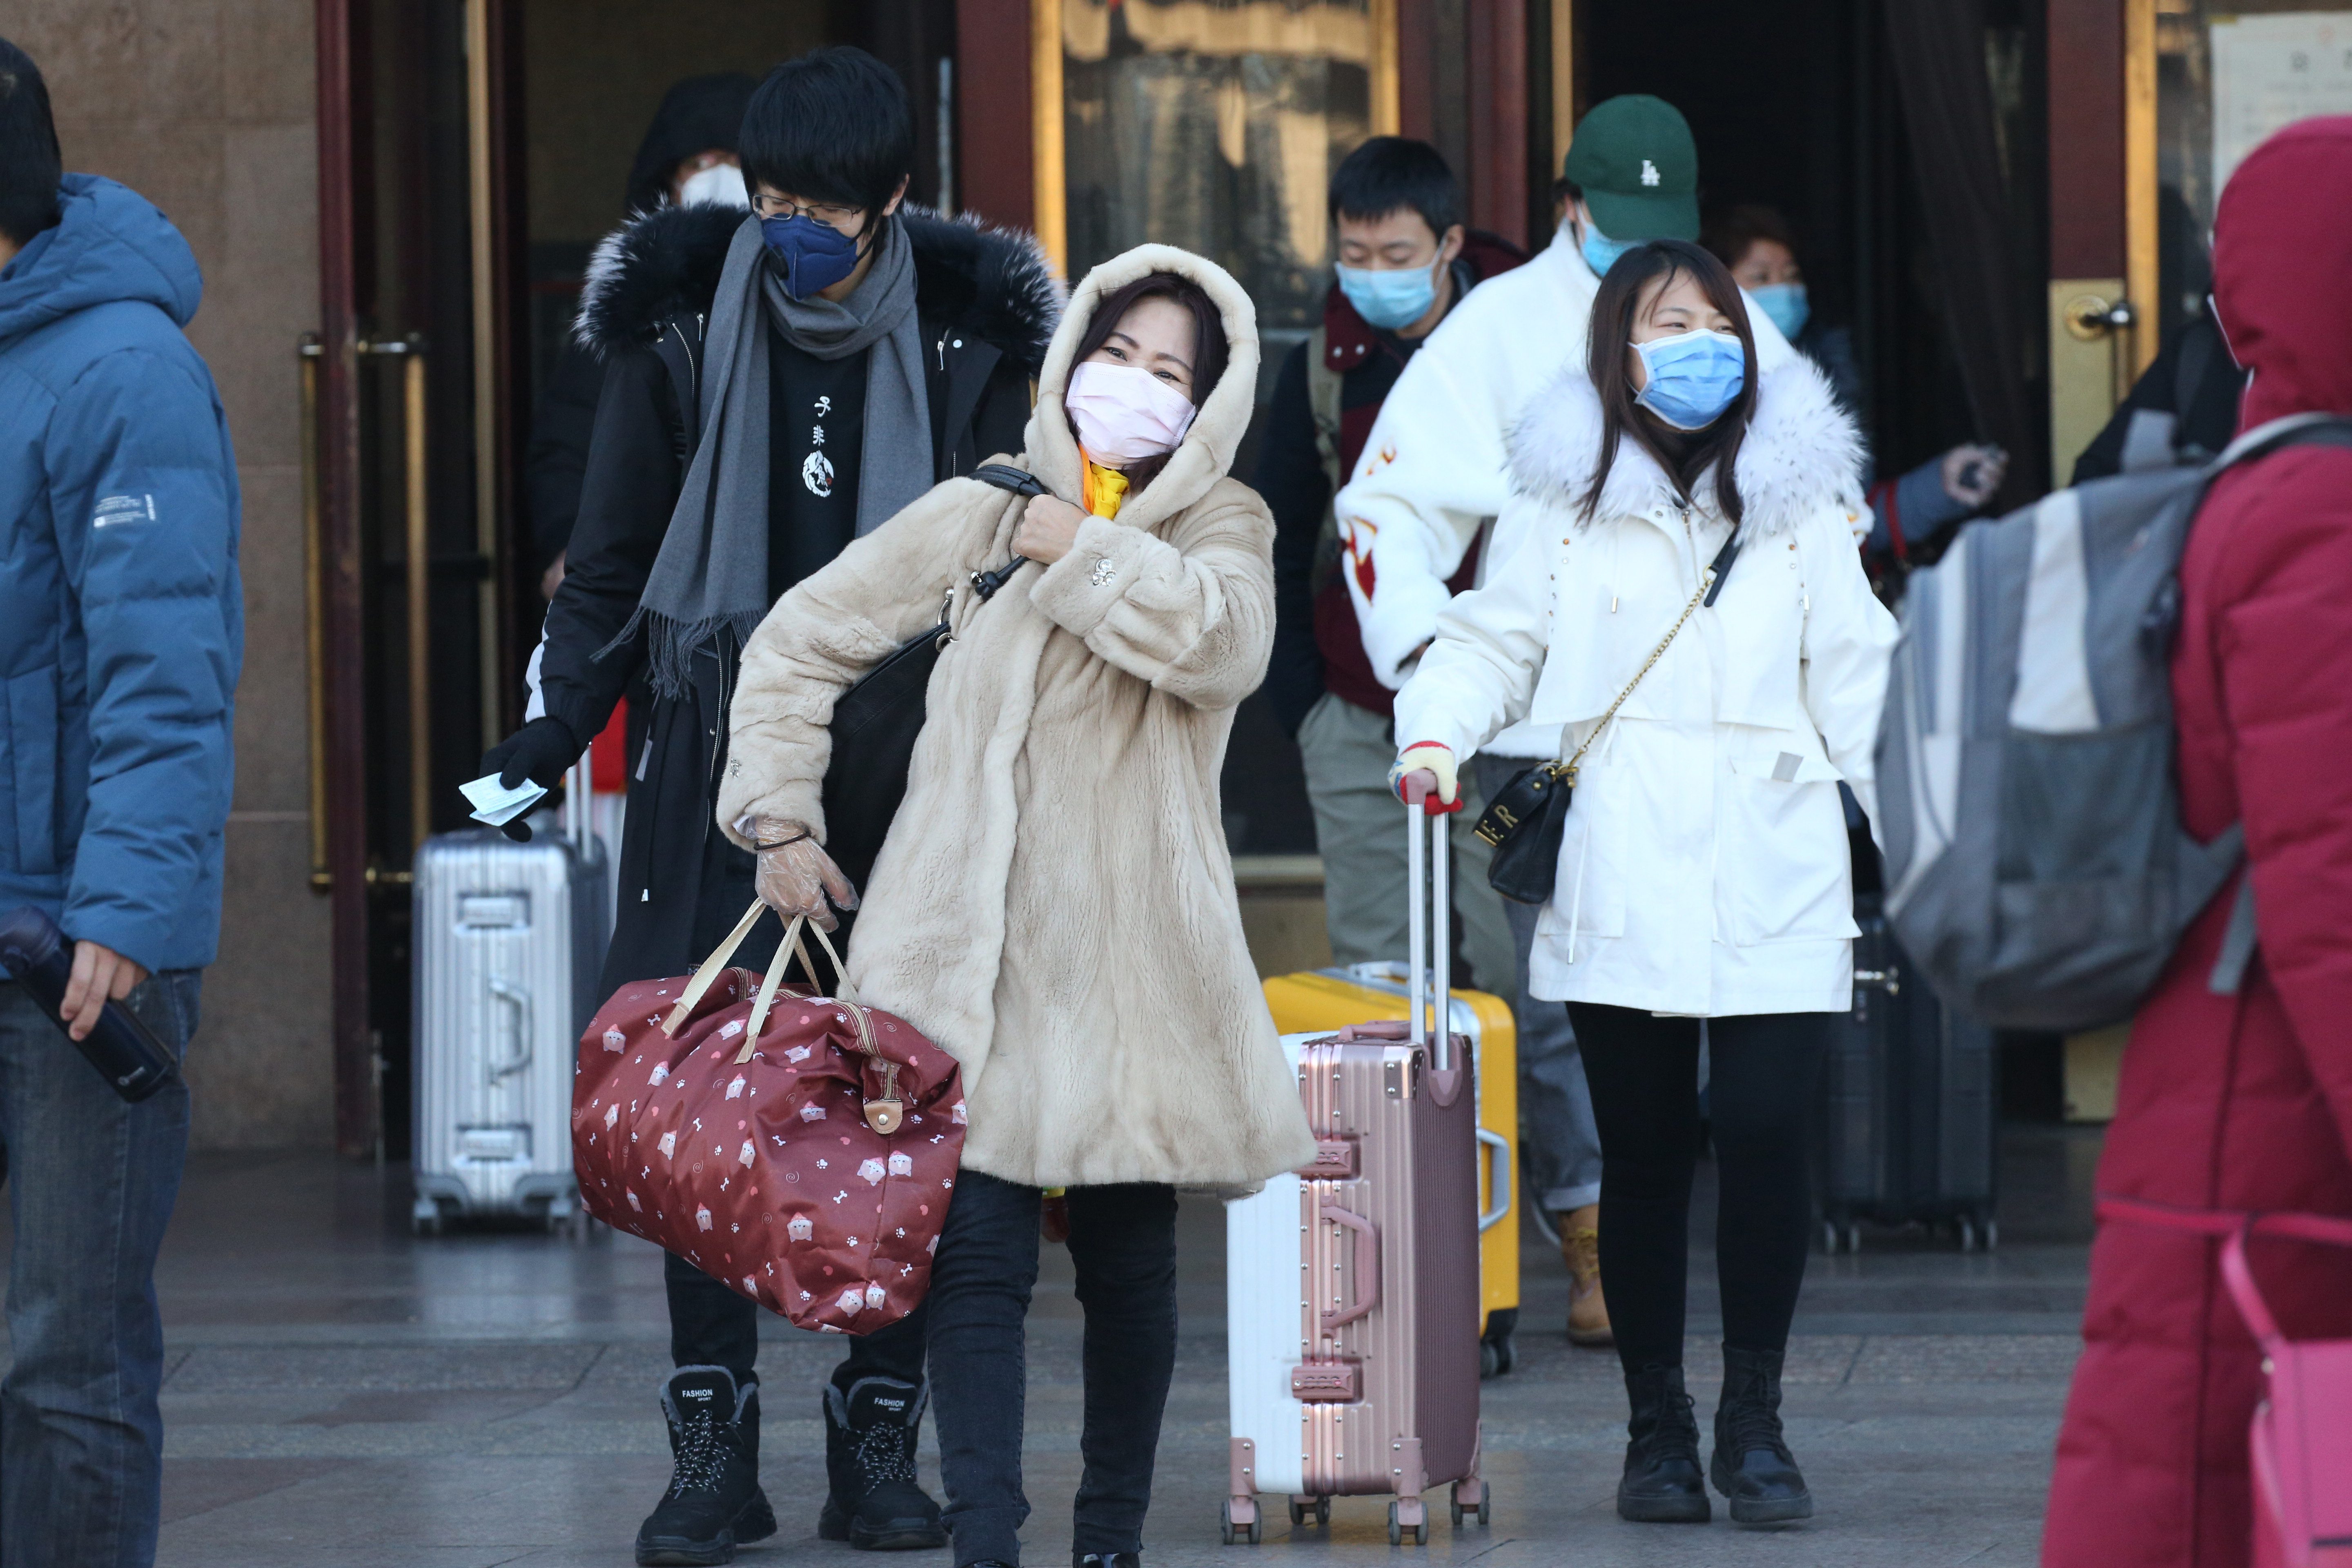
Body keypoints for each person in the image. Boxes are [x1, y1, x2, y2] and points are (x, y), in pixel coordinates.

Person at [479, 47, 1060, 1565]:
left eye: (825, 208)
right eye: (773, 199)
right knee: (697, 1092)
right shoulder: (677, 322)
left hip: (906, 770)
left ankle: (877, 1449)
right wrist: (545, 740)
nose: (791, 229)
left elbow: (1008, 562)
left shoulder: (962, 339)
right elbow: (610, 562)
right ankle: (710, 1452)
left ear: (898, 203)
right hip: (711, 759)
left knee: (898, 1094)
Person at [717, 247, 1315, 1568]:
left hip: (1129, 957)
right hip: (959, 955)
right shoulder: (981, 507)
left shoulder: (1228, 527)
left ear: (1210, 404)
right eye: (1118, 354)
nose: (1136, 386)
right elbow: (798, 642)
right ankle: (986, 1537)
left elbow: (1229, 650)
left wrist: (1089, 552)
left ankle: (1110, 1538)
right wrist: (778, 815)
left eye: (1172, 371)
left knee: (1126, 1266)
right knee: (972, 1262)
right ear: (1069, 360)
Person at [1390, 240, 1895, 1527]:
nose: (1701, 341)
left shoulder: (1798, 500)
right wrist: (1435, 730)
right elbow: (1491, 637)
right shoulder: (1558, 502)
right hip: (1617, 861)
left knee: (1775, 1134)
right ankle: (1658, 1426)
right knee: (1649, 1155)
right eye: (1670, 320)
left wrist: (1917, 830)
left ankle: (1756, 1419)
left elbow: (1861, 670)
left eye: (1716, 319)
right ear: (1618, 344)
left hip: (1775, 854)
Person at [1330, 94, 1799, 1349]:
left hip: (1707, 740)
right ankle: (1567, 1235)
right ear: (1568, 211)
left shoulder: (1728, 323)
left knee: (1699, 1010)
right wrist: (1435, 670)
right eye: (1615, 222)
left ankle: (1615, 1233)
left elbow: (1817, 518)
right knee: (1555, 1003)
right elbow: (1386, 512)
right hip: (1538, 732)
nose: (1641, 249)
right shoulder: (1494, 328)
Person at [2041, 116, 2352, 1568]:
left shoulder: (2268, 476)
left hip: (2234, 1091)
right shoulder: (2316, 516)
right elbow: (2328, 883)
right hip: (2266, 1118)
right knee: (2205, 1488)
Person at [0, 39, 243, 1568]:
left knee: (64, 1354)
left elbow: (168, 664)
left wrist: (128, 917)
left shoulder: (123, 368)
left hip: (76, 948)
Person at [1254, 135, 1522, 1091]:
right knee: (1372, 963)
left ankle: (1535, 1172)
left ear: (1448, 242)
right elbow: (1274, 542)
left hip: (1500, 715)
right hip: (1359, 705)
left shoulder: (1519, 336)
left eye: (1396, 258)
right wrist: (1304, 705)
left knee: (1509, 953)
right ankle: (1390, 1173)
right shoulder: (1323, 368)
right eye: (1353, 256)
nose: (1372, 278)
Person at [528, 72, 758, 601]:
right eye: (698, 165)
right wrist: (566, 545)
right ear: (668, 183)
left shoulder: (812, 290)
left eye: (732, 162)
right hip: (647, 580)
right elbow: (567, 442)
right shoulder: (627, 303)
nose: (715, 178)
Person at [1707, 203, 2005, 572]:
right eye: (1761, 278)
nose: (1783, 291)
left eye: (1792, 274)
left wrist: (1939, 486)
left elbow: (1850, 523)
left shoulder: (1829, 382)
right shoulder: (1700, 396)